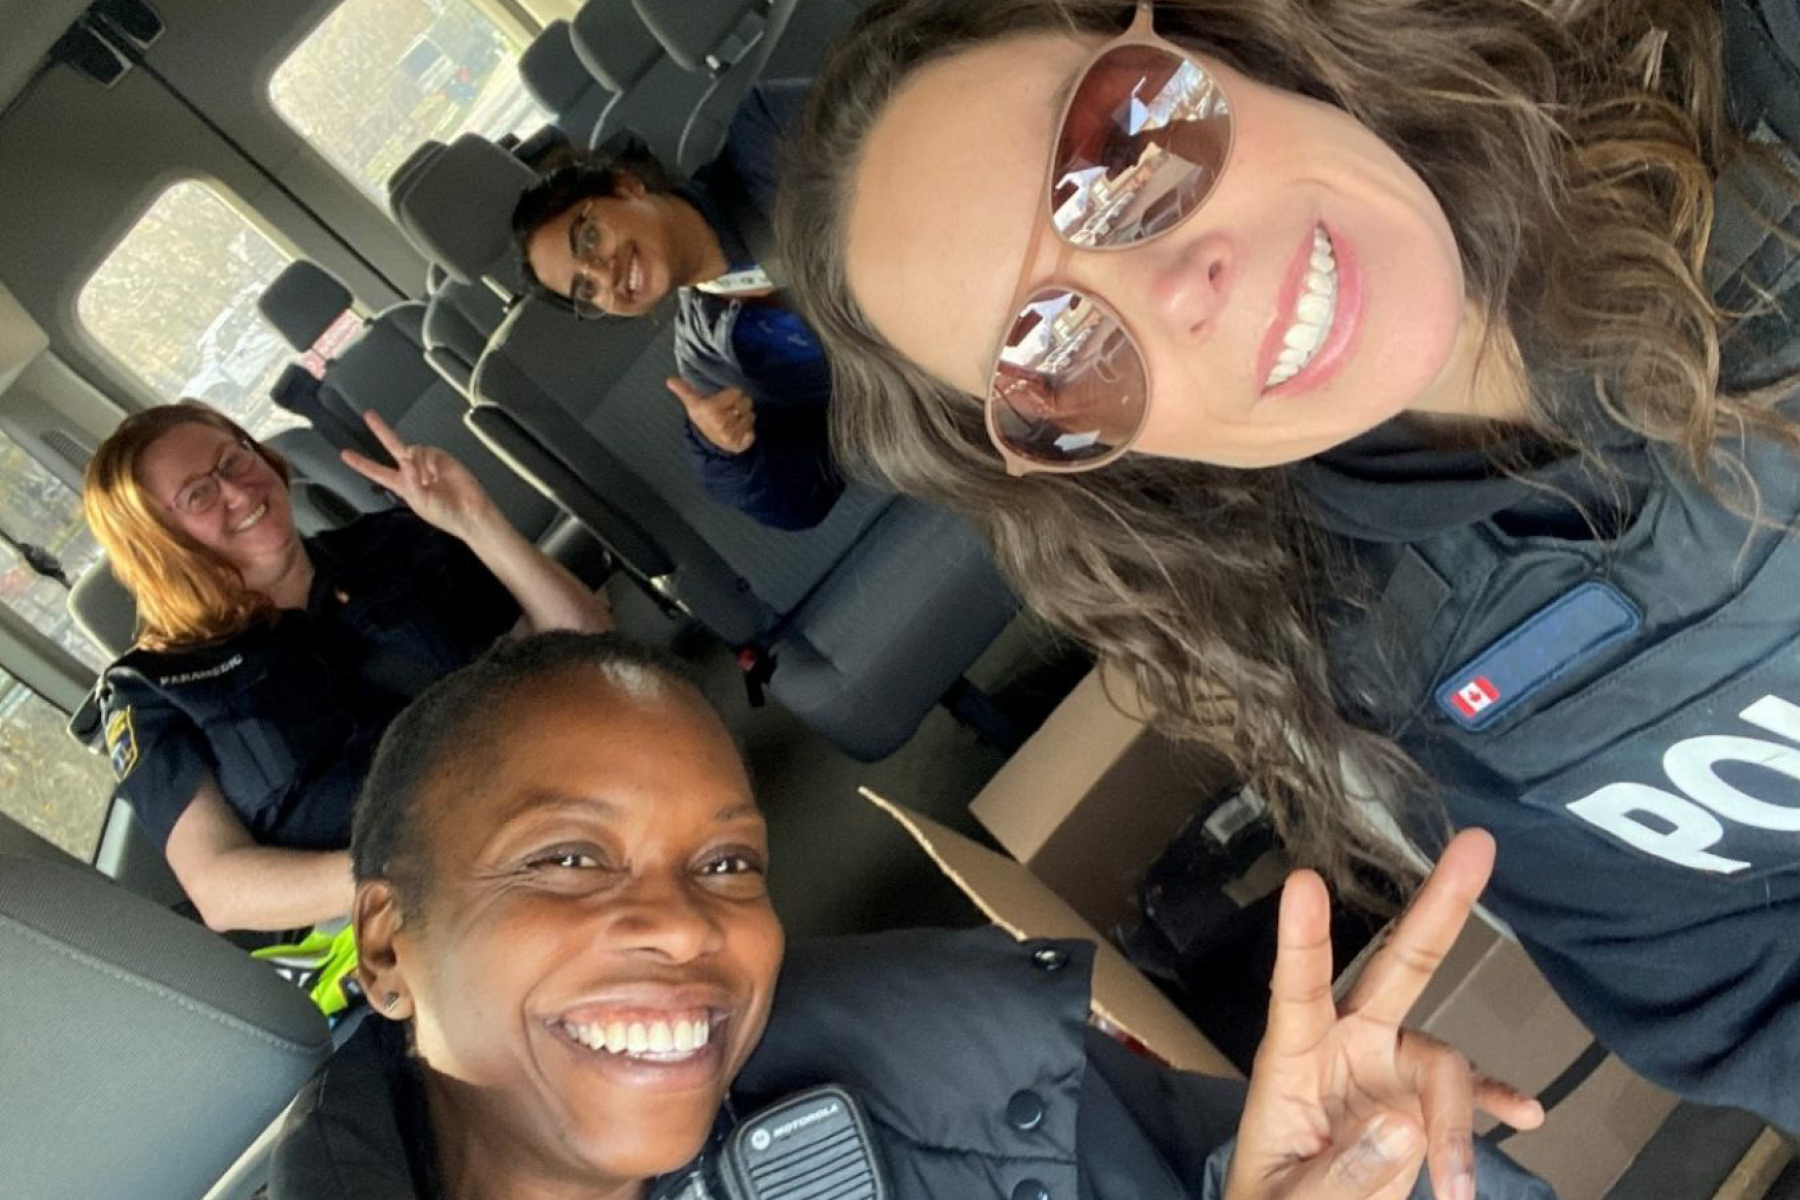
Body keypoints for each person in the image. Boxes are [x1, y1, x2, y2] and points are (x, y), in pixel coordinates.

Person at [775, 0, 1800, 1129]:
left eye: (1125, 148)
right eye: (1055, 352)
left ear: (1229, 37)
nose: (1173, 288)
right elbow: (1748, 999)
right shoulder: (1387, 671)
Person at [271, 631, 1551, 1200]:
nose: (682, 927)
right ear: (388, 948)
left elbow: (1229, 1154)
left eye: (727, 866)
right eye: (564, 859)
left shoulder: (932, 1041)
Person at [83, 400, 612, 934]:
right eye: (199, 495)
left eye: (234, 461)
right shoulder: (151, 688)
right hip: (437, 917)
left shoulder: (399, 542)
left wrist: (478, 523)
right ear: (160, 544)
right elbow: (221, 888)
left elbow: (588, 646)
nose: (239, 492)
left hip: (580, 800)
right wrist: (422, 870)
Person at [512, 82, 844, 532]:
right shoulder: (708, 360)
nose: (603, 274)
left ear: (627, 186)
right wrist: (727, 453)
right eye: (585, 290)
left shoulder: (769, 136)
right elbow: (805, 502)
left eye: (589, 238)